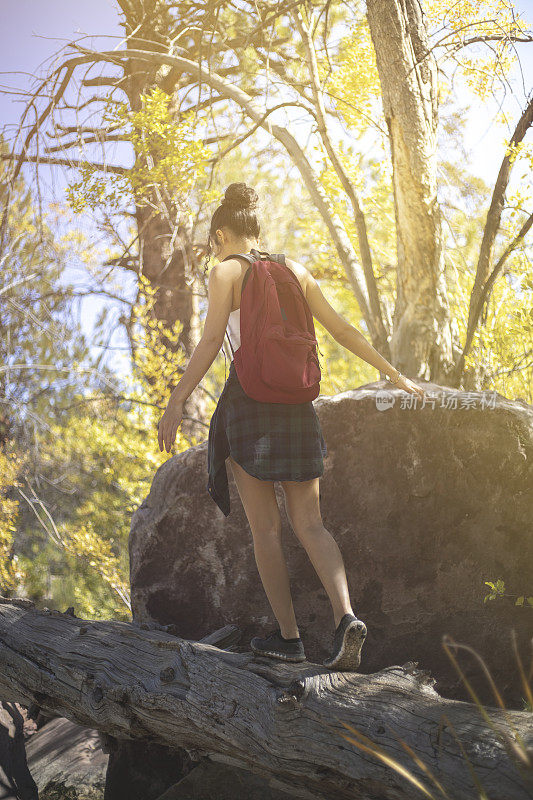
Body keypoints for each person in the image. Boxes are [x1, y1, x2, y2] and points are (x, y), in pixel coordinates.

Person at [157, 182, 425, 670]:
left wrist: (177, 401)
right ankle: (347, 618)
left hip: (248, 404)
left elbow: (213, 339)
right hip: (297, 404)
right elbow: (341, 330)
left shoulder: (224, 273)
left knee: (266, 530)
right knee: (311, 523)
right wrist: (394, 374)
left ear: (221, 235)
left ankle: (290, 638)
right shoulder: (295, 271)